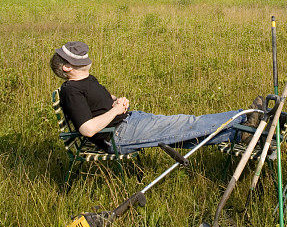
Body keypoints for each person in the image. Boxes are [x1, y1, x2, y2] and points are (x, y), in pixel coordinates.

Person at [50, 41, 264, 155]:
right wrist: (115, 111)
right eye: (76, 57)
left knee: (182, 137)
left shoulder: (86, 80)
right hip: (118, 136)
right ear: (67, 67)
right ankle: (246, 117)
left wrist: (117, 100)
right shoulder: (71, 90)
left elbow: (98, 101)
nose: (85, 57)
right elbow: (87, 129)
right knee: (188, 123)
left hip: (128, 121)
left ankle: (240, 136)